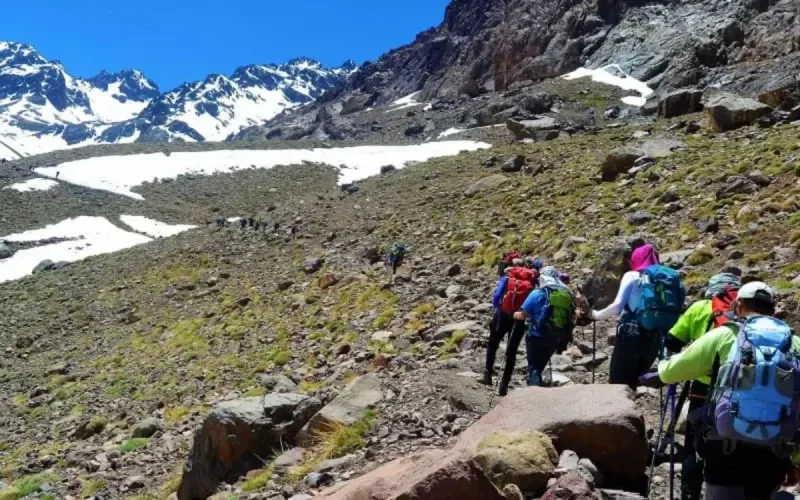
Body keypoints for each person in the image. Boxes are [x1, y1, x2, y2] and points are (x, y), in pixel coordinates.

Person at [640, 282, 797, 500]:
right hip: (774, 448)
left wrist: (661, 367)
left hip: (725, 445)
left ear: (738, 305)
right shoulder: (794, 344)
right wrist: (795, 461)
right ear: (773, 308)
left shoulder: (725, 335)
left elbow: (672, 372)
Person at [665, 273, 741, 500]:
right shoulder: (751, 317)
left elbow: (672, 340)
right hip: (740, 391)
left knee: (693, 443)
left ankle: (690, 492)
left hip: (703, 387)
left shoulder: (701, 308)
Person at [591, 243, 674, 389]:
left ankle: (616, 411)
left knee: (618, 381)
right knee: (636, 380)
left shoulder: (632, 276)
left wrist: (596, 315)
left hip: (632, 331)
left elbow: (617, 306)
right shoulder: (663, 280)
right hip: (654, 335)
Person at [514, 266, 574, 386]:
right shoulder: (566, 295)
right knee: (541, 364)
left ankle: (534, 389)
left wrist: (515, 315)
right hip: (555, 337)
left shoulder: (537, 293)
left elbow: (522, 315)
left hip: (536, 336)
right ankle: (537, 382)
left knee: (534, 366)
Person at [485, 264, 536, 395]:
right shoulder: (530, 285)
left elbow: (496, 297)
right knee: (511, 352)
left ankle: (487, 374)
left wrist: (496, 308)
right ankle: (504, 385)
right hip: (518, 319)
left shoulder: (508, 279)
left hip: (502, 315)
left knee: (493, 343)